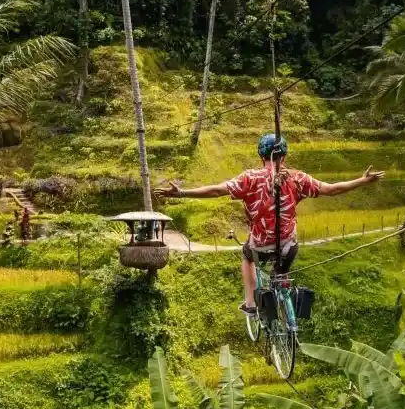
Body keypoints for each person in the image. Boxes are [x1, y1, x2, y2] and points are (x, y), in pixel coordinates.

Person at [155, 133, 385, 316]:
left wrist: (182, 192)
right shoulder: (297, 178)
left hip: (260, 245)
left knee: (247, 255)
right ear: (284, 157)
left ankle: (250, 304)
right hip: (288, 245)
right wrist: (363, 180)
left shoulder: (250, 178)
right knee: (281, 268)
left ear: (261, 156)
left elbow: (217, 190)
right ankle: (284, 299)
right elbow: (332, 189)